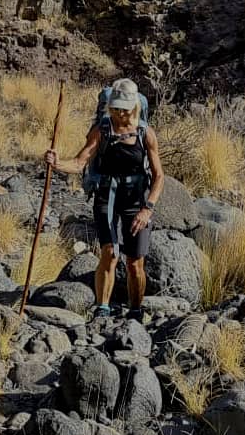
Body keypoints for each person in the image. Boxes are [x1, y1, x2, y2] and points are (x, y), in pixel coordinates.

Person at [45, 78, 164, 320]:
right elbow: (80, 163)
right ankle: (102, 307)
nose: (120, 113)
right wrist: (56, 163)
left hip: (136, 201)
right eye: (116, 108)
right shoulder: (103, 130)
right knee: (109, 252)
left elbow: (159, 176)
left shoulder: (146, 134)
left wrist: (147, 209)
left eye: (124, 108)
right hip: (106, 196)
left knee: (135, 262)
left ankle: (135, 310)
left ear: (134, 107)